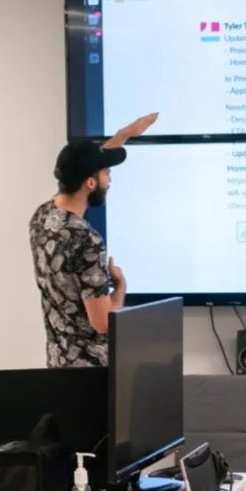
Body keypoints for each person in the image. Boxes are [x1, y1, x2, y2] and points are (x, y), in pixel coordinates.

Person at [30, 112, 157, 367]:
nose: (110, 180)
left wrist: (123, 135)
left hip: (58, 363)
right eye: (106, 173)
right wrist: (120, 288)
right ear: (90, 183)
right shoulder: (86, 240)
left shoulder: (42, 217)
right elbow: (102, 323)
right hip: (90, 373)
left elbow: (80, 163)